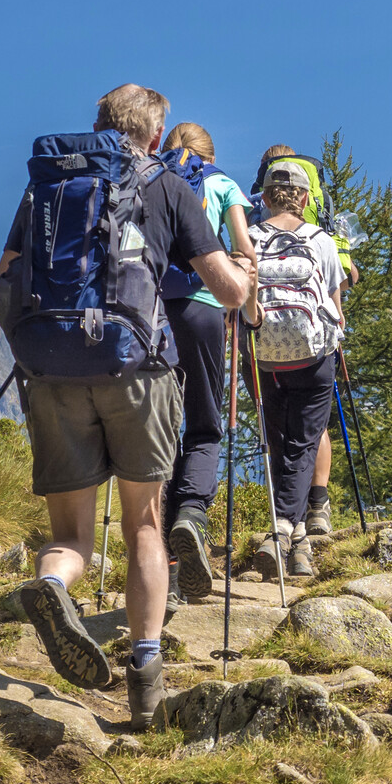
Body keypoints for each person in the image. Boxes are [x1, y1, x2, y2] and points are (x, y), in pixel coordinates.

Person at [0, 85, 256, 730]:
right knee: (144, 526)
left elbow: (0, 291)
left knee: (70, 537)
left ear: (99, 123)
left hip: (51, 373)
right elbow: (227, 292)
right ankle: (145, 678)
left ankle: (53, 586)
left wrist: (41, 353)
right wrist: (247, 271)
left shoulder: (46, 188)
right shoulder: (169, 186)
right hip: (138, 369)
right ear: (158, 136)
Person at [157, 122, 254, 602]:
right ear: (209, 155)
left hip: (151, 315)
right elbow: (245, 250)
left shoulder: (151, 178)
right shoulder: (222, 183)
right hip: (204, 309)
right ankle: (192, 515)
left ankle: (165, 564)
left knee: (158, 434)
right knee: (204, 425)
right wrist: (249, 307)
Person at [242, 157, 345, 577]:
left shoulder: (248, 238)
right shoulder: (321, 240)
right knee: (304, 444)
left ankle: (296, 541)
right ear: (304, 199)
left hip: (264, 356)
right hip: (313, 357)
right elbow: (336, 308)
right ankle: (285, 530)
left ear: (265, 198)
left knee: (280, 441)